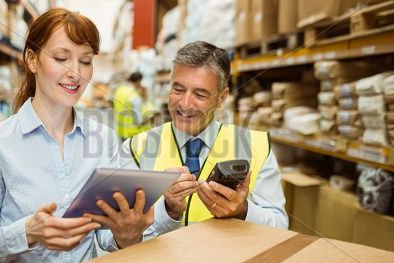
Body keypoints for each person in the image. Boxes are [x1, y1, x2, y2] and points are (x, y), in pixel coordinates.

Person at [0, 9, 173, 263]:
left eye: (85, 61)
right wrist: (28, 232)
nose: (76, 73)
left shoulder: (104, 139)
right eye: (61, 58)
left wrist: (127, 234)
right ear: (32, 59)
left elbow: (105, 236)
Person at [120, 41, 288, 228]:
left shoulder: (257, 146)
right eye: (178, 89)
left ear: (222, 98)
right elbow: (113, 237)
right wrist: (167, 211)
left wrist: (244, 211)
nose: (185, 104)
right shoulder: (136, 148)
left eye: (200, 95)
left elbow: (279, 225)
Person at [113, 72, 153, 140]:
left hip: (120, 131)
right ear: (138, 81)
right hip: (132, 134)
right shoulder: (134, 96)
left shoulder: (119, 90)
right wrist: (149, 119)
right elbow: (139, 121)